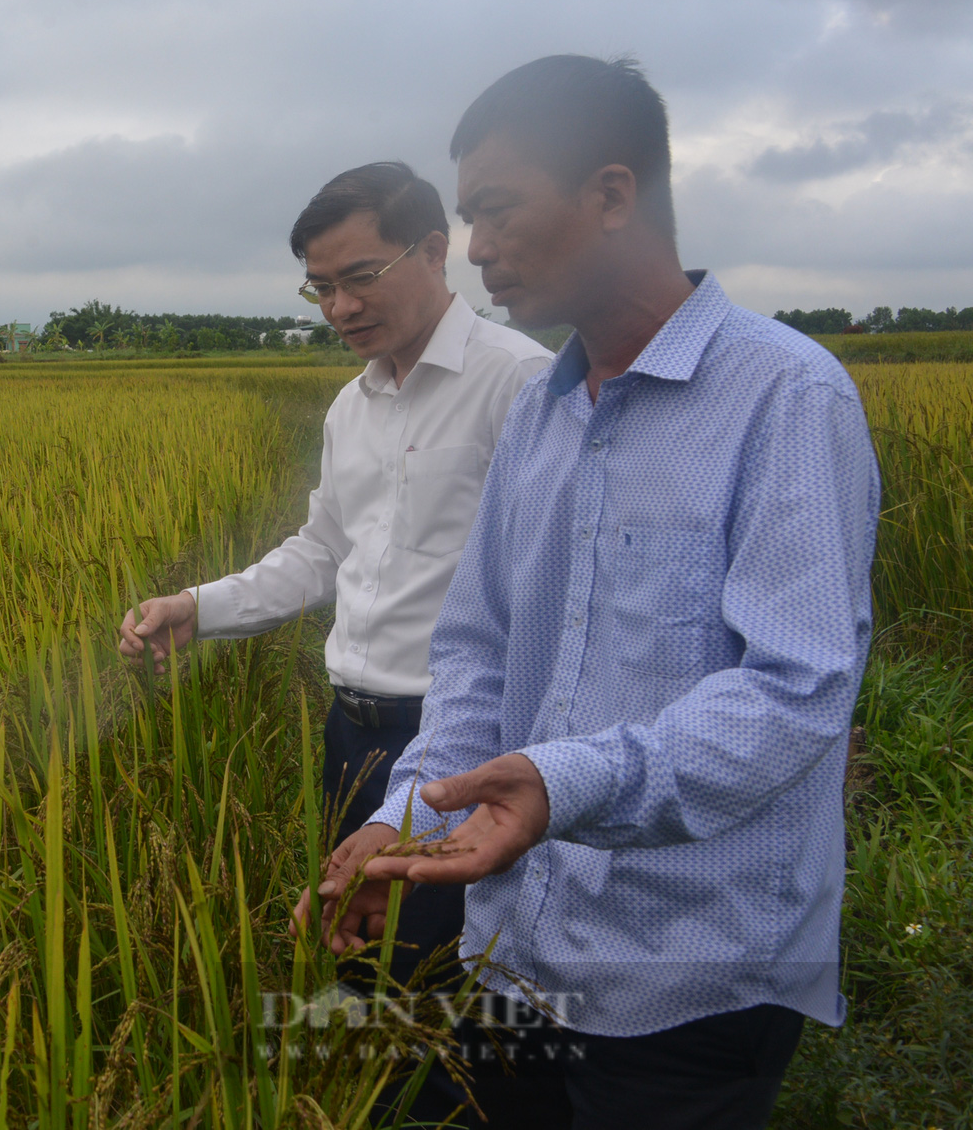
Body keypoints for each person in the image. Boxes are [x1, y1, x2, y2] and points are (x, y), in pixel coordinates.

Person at [311, 56, 879, 1129]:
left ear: (611, 195)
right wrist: (404, 828)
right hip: (516, 946)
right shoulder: (539, 412)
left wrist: (556, 783)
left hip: (689, 971)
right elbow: (475, 654)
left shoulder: (785, 396)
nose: (474, 246)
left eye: (494, 210)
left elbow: (792, 691)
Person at [118, 160, 551, 985]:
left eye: (360, 277)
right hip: (350, 734)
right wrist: (194, 607)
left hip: (461, 737)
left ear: (435, 251)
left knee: (445, 970)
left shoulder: (518, 383)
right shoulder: (352, 406)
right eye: (319, 287)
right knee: (360, 949)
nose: (339, 308)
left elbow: (552, 592)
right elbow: (323, 551)